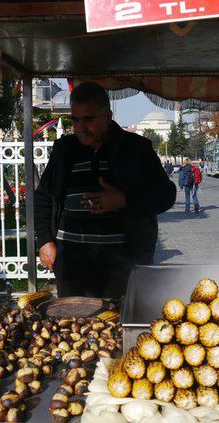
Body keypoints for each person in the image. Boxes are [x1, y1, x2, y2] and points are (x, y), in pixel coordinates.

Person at [34, 82, 176, 299]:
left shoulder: (136, 149)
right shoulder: (64, 150)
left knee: (117, 325)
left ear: (108, 116)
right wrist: (45, 240)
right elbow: (43, 197)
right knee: (71, 328)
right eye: (75, 119)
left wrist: (124, 200)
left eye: (89, 119)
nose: (80, 127)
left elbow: (166, 195)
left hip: (122, 266)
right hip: (72, 266)